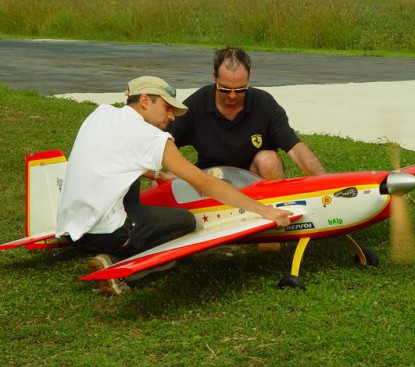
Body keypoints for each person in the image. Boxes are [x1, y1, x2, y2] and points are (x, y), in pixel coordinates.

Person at [55, 76, 292, 296]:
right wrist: (265, 211)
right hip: (108, 235)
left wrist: (157, 174)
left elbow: (115, 157)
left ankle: (114, 243)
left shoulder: (101, 114)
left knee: (132, 180)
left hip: (71, 230)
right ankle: (116, 262)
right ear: (145, 101)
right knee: (187, 222)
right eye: (167, 108)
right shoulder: (152, 137)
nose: (171, 117)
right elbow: (206, 183)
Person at [168, 47, 326, 250]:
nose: (232, 96)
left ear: (249, 79)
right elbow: (164, 142)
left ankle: (271, 234)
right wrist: (170, 172)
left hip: (256, 183)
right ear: (214, 76)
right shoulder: (197, 103)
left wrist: (324, 184)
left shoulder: (264, 103)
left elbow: (295, 148)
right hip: (213, 183)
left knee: (268, 158)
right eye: (224, 89)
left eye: (240, 89)